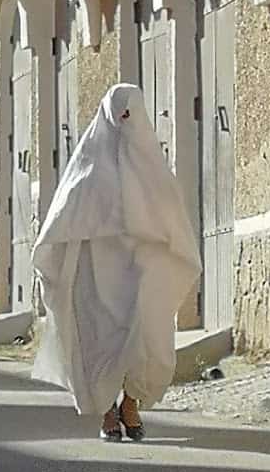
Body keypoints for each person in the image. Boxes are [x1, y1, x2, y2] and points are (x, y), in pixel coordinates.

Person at [32, 83, 202, 441]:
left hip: (142, 271)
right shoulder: (87, 168)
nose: (125, 121)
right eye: (119, 114)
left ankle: (131, 404)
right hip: (96, 277)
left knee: (146, 336)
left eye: (131, 113)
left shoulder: (153, 171)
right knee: (100, 341)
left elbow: (172, 221)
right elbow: (62, 221)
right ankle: (107, 410)